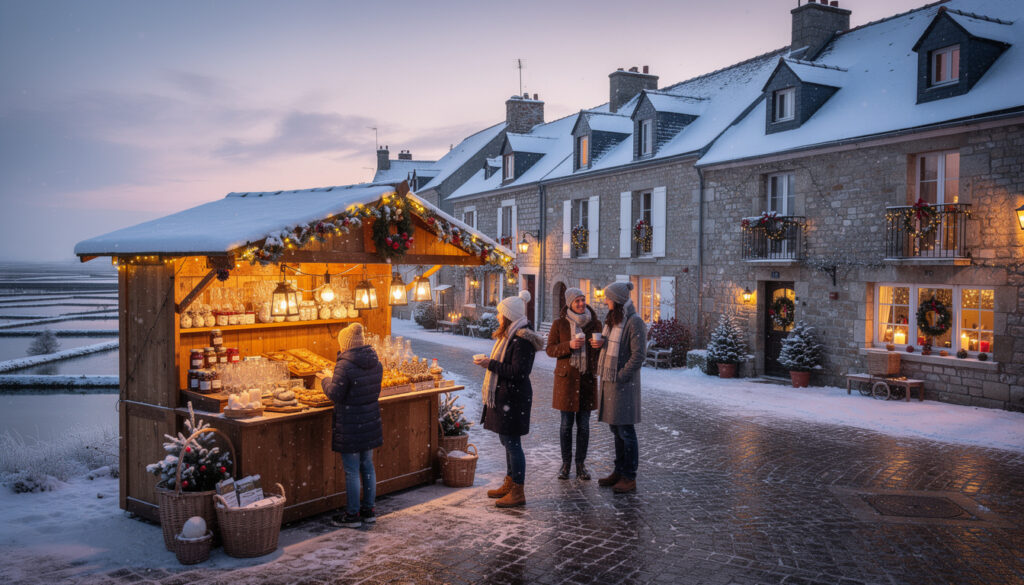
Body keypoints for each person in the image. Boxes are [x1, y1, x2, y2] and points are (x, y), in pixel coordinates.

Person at [474, 290, 544, 508]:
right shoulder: (511, 336)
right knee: (507, 441)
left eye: (500, 314)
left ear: (509, 317)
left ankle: (518, 491)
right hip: (508, 398)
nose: (497, 317)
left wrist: (490, 364)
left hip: (514, 399)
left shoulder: (521, 340)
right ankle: (510, 482)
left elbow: (518, 372)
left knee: (513, 443)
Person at [322, 323, 383, 527]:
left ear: (345, 344)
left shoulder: (345, 365)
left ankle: (352, 515)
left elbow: (335, 393)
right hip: (369, 421)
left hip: (350, 424)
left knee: (351, 470)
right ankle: (369, 509)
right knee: (367, 466)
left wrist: (324, 379)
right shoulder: (375, 362)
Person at [590, 281, 646, 493]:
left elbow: (639, 355)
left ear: (618, 300)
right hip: (610, 383)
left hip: (624, 385)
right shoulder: (614, 321)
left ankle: (629, 476)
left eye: (608, 298)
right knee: (616, 429)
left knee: (625, 430)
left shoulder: (634, 322)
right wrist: (601, 344)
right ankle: (619, 471)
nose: (605, 301)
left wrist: (621, 375)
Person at [546, 287, 601, 480]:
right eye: (576, 301)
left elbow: (601, 352)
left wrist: (600, 346)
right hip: (566, 381)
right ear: (569, 303)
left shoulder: (595, 325)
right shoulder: (559, 324)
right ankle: (565, 464)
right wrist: (568, 346)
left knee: (584, 426)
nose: (580, 303)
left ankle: (580, 465)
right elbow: (550, 350)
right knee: (566, 425)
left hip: (586, 380)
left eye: (583, 300)